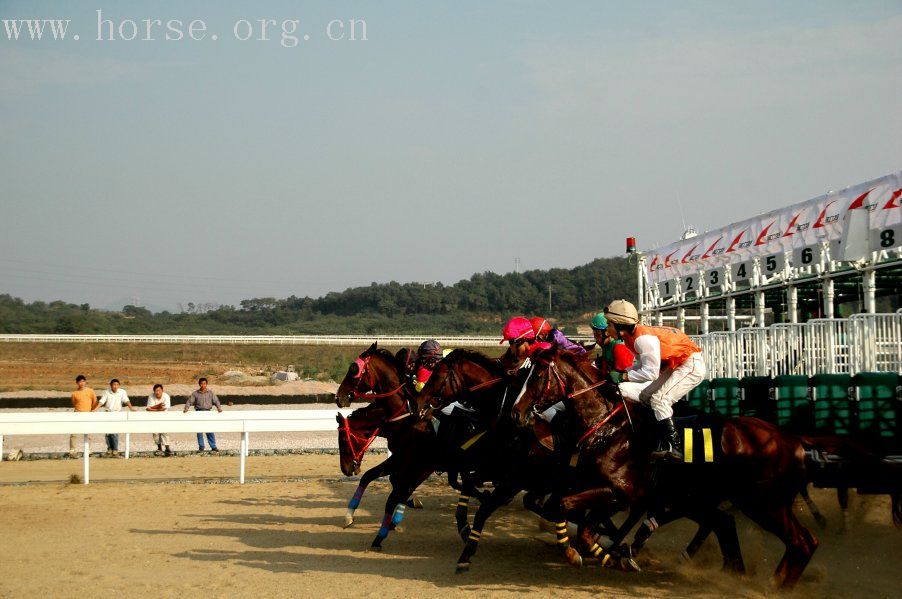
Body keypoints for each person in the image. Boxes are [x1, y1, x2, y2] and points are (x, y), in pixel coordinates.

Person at [603, 299, 706, 461]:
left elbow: (650, 373)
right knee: (645, 397)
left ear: (620, 325)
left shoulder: (641, 339)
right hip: (676, 365)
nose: (608, 330)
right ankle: (657, 439)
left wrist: (623, 376)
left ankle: (676, 448)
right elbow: (643, 367)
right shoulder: (631, 338)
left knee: (660, 400)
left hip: (690, 365)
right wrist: (623, 372)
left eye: (609, 324)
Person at [589, 313, 640, 389]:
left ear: (607, 333)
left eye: (597, 333)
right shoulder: (606, 347)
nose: (595, 337)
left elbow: (630, 375)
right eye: (594, 333)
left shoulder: (619, 347)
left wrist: (618, 376)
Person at [97, 378, 136, 456]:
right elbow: (102, 401)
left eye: (117, 385)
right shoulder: (106, 392)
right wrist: (95, 409)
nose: (115, 386)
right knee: (107, 432)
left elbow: (126, 400)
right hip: (108, 413)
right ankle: (109, 448)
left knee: (114, 432)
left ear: (119, 385)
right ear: (111, 385)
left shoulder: (122, 392)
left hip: (117, 413)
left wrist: (131, 408)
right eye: (114, 385)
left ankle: (115, 449)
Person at [183, 377, 222, 452]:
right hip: (199, 412)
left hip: (208, 412)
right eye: (201, 384)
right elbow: (189, 401)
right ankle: (201, 447)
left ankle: (213, 446)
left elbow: (216, 401)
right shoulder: (195, 393)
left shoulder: (211, 393)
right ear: (199, 384)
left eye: (204, 383)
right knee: (199, 430)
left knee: (209, 430)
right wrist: (186, 408)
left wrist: (219, 408)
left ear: (206, 384)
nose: (203, 385)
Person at [69, 375, 98, 458]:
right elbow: (74, 403)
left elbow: (95, 402)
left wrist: (92, 410)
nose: (82, 383)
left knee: (88, 433)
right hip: (77, 413)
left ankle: (88, 450)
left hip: (88, 414)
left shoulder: (90, 391)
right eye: (80, 381)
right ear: (77, 383)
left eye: (83, 381)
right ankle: (72, 450)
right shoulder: (74, 393)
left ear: (85, 382)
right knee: (74, 433)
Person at [147, 383, 172, 456]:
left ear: (162, 390)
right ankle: (159, 447)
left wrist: (153, 408)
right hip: (154, 418)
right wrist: (158, 407)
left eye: (159, 390)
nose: (157, 392)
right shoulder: (151, 396)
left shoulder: (166, 396)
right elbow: (148, 408)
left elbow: (164, 408)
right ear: (154, 391)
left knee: (165, 432)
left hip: (164, 417)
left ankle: (167, 448)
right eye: (156, 391)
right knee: (155, 433)